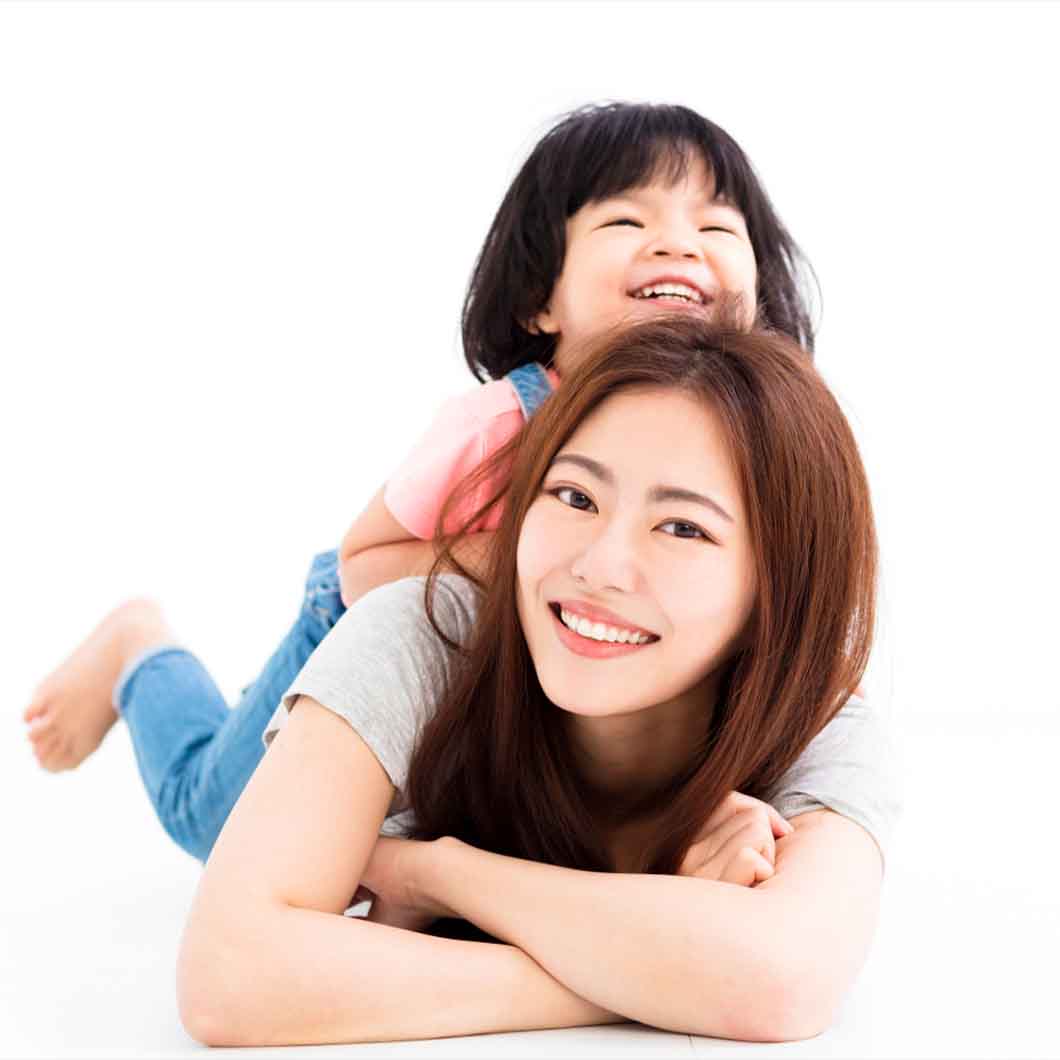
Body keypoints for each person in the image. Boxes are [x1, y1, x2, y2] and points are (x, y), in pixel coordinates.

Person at [22, 102, 818, 863]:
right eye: (626, 222)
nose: (678, 244)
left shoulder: (753, 442)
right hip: (367, 639)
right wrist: (521, 558)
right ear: (538, 301)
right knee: (215, 820)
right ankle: (141, 651)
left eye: (716, 227)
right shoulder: (498, 425)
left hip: (519, 695)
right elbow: (363, 564)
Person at [176, 315, 900, 1046]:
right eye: (576, 497)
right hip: (305, 664)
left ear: (779, 588)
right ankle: (145, 652)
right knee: (194, 800)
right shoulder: (424, 632)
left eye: (683, 527)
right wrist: (668, 967)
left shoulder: (818, 725)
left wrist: (438, 875)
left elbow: (782, 982)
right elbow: (230, 979)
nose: (598, 567)